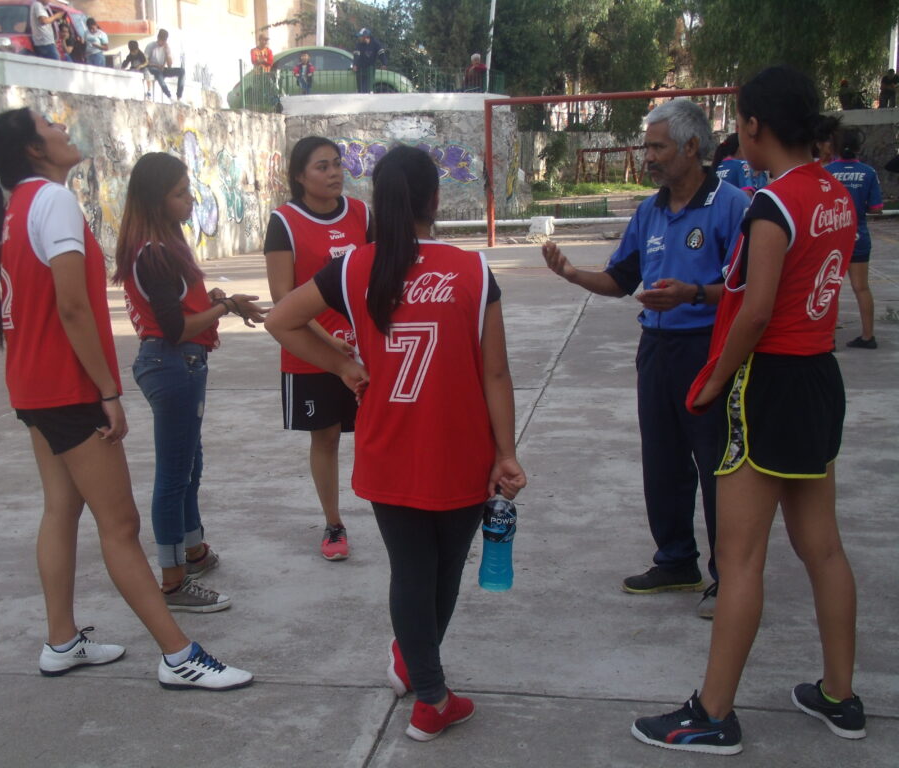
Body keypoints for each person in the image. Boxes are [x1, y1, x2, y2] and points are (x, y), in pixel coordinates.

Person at [0, 108, 253, 690]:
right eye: (48, 126)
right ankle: (179, 656)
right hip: (67, 388)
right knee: (121, 525)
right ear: (33, 150)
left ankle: (61, 641)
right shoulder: (51, 202)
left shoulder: (14, 208)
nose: (61, 128)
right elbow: (73, 307)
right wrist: (107, 391)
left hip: (31, 386)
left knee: (61, 509)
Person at [632, 65, 863, 756]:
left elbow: (756, 311)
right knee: (823, 547)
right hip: (820, 377)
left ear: (756, 126)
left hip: (769, 384)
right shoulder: (833, 194)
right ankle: (839, 693)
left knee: (739, 556)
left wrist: (712, 381)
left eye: (740, 120)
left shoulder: (773, 205)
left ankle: (712, 712)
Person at [266, 145, 526, 742]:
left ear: (377, 202)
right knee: (441, 574)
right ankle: (431, 697)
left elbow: (281, 318)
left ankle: (416, 664)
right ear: (435, 200)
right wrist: (506, 452)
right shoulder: (472, 269)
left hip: (389, 446)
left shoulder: (356, 267)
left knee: (412, 570)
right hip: (463, 449)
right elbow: (496, 373)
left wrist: (339, 364)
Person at [542, 99, 750, 619]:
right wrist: (571, 274)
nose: (648, 157)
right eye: (648, 146)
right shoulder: (650, 210)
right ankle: (677, 559)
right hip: (656, 349)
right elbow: (620, 280)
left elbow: (749, 291)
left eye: (657, 147)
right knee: (662, 459)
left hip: (709, 350)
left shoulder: (732, 206)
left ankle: (732, 578)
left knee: (716, 464)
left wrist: (693, 294)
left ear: (692, 147)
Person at [113, 153, 267, 611]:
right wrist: (227, 307)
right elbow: (176, 328)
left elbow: (183, 307)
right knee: (174, 475)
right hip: (173, 362)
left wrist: (221, 299)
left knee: (189, 465)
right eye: (180, 193)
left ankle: (194, 551)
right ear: (156, 200)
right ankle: (174, 582)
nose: (190, 200)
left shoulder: (165, 245)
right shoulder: (154, 253)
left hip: (182, 364)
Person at [263, 137, 372, 560]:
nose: (333, 173)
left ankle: (395, 507)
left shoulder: (362, 214)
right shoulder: (284, 222)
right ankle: (333, 524)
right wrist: (331, 345)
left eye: (336, 164)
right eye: (321, 167)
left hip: (365, 352)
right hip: (310, 352)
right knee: (324, 437)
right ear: (299, 176)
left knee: (377, 431)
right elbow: (282, 299)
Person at [825, 128, 883, 349]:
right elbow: (876, 208)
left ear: (836, 147)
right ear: (858, 148)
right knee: (862, 287)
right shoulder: (868, 172)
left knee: (831, 288)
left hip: (832, 236)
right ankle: (868, 336)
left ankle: (828, 338)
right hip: (859, 236)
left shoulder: (827, 172)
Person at [145, 29, 185, 101]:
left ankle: (179, 97)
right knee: (158, 73)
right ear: (158, 38)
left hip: (162, 68)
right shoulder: (151, 46)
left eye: (164, 41)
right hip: (152, 68)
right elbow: (145, 62)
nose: (162, 43)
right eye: (161, 40)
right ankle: (169, 96)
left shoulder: (166, 47)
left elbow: (169, 65)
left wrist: (167, 53)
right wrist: (157, 66)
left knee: (181, 71)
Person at [352, 28, 386, 93]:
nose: (359, 38)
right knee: (360, 89)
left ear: (365, 37)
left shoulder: (375, 44)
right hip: (360, 69)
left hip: (370, 69)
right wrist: (355, 64)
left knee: (367, 88)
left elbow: (381, 53)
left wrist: (384, 63)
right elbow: (356, 55)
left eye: (360, 36)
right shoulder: (359, 45)